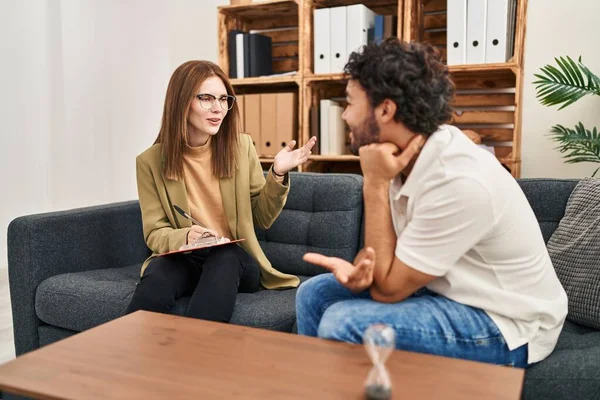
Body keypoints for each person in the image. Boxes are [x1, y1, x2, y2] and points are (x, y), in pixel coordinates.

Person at [295, 38, 567, 368]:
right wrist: (365, 273)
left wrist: (375, 184)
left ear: (385, 109)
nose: (345, 116)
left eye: (350, 103)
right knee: (313, 294)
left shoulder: (458, 180)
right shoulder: (402, 157)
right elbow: (387, 265)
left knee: (344, 322)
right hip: (447, 291)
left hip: (506, 321)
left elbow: (389, 291)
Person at [127, 60, 316, 322]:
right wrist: (187, 236)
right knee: (161, 269)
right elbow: (155, 232)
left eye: (224, 99)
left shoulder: (241, 147)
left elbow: (261, 217)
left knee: (224, 254)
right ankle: (127, 355)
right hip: (187, 257)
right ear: (181, 102)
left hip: (236, 262)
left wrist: (277, 174)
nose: (218, 108)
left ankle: (201, 355)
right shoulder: (149, 162)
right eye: (206, 98)